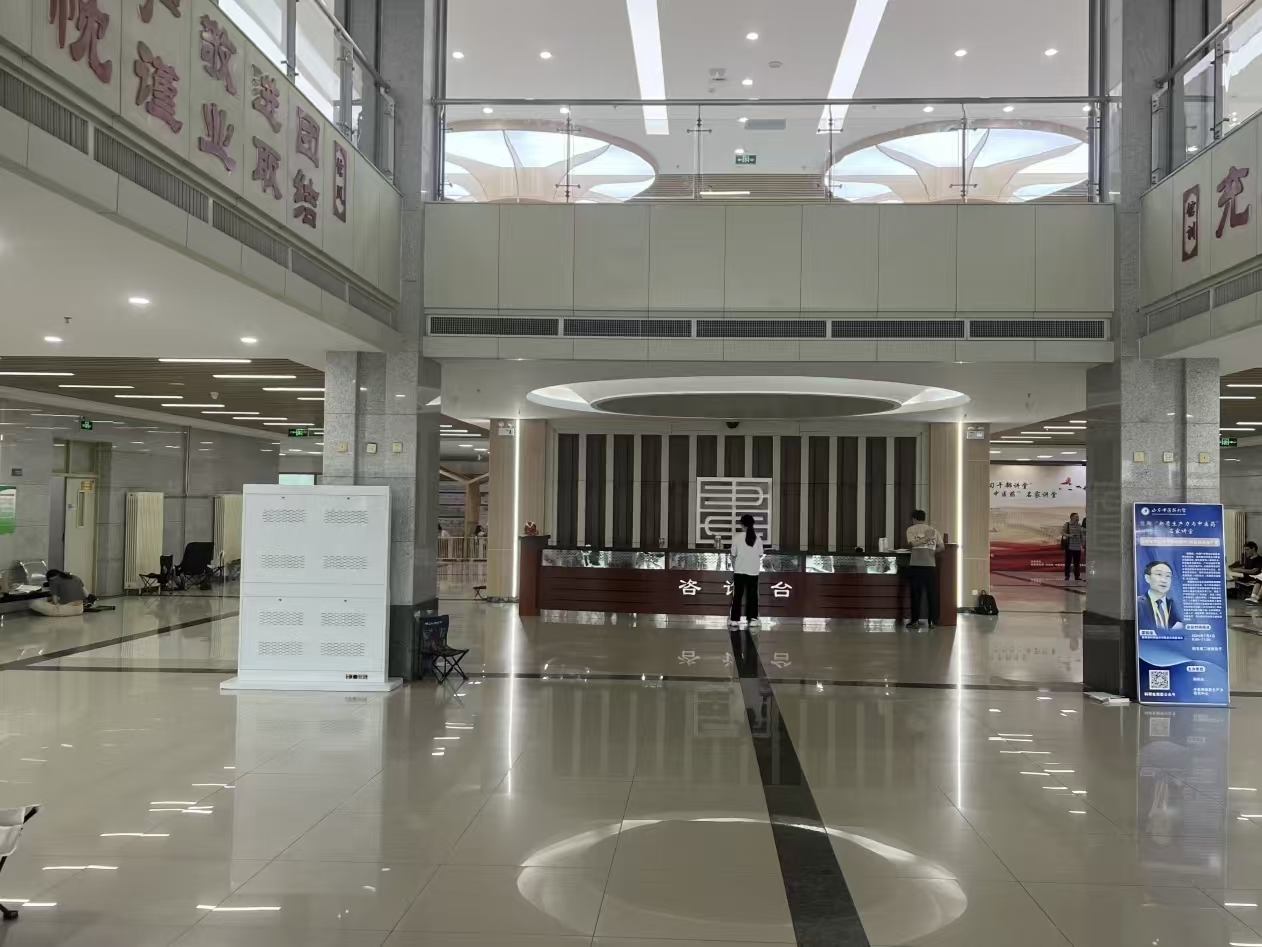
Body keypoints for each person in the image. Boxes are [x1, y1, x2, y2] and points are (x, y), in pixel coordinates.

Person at [905, 510, 940, 629]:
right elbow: (942, 547)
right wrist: (932, 552)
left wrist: (925, 538)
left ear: (914, 519)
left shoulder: (911, 530)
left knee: (916, 594)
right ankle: (932, 622)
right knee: (932, 595)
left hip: (916, 566)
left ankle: (915, 621)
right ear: (924, 519)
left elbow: (913, 544)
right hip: (930, 566)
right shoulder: (934, 531)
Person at [728, 514, 764, 629]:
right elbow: (760, 554)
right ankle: (752, 619)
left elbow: (733, 554)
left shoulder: (736, 537)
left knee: (738, 595)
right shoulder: (758, 539)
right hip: (753, 571)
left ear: (742, 525)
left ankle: (734, 620)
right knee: (752, 596)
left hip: (739, 570)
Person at [1137, 560, 1183, 630]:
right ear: (1147, 578)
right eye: (1159, 574)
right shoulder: (1137, 603)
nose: (1164, 580)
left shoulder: (1176, 606)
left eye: (1168, 576)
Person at [1062, 512, 1086, 582]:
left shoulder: (1079, 525)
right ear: (1072, 518)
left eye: (1078, 517)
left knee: (1077, 563)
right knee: (1068, 562)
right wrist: (1070, 535)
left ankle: (1077, 576)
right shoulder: (1067, 524)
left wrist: (1082, 543)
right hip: (1069, 546)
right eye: (1076, 517)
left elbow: (1081, 535)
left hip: (1077, 547)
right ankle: (1067, 576)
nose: (1078, 518)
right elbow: (1062, 532)